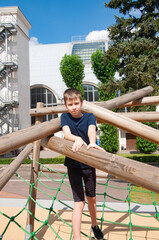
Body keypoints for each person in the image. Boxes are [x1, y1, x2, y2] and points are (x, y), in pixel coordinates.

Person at [61, 88, 105, 240]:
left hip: (88, 164)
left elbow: (91, 130)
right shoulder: (65, 117)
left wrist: (91, 142)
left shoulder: (89, 117)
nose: (73, 107)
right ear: (66, 105)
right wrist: (77, 139)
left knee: (91, 198)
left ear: (81, 102)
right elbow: (66, 134)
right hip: (73, 165)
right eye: (70, 104)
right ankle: (76, 237)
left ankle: (94, 225)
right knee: (78, 202)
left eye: (76, 103)